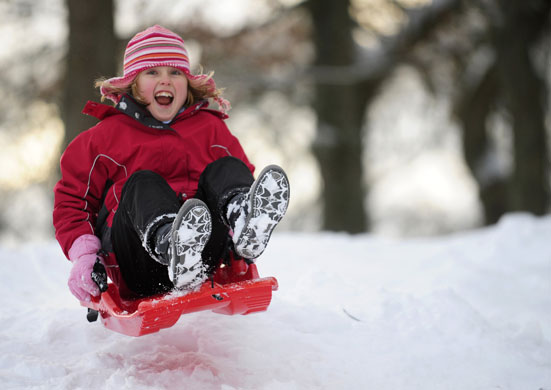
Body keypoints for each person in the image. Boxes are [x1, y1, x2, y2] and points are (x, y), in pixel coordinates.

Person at [53, 25, 290, 301]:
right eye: (152, 72)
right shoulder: (103, 138)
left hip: (205, 257)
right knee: (143, 183)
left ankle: (243, 219)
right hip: (138, 261)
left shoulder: (209, 129)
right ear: (133, 82)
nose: (165, 80)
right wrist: (84, 256)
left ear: (187, 83)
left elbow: (241, 173)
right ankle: (170, 241)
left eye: (175, 73)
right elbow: (72, 200)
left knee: (226, 168)